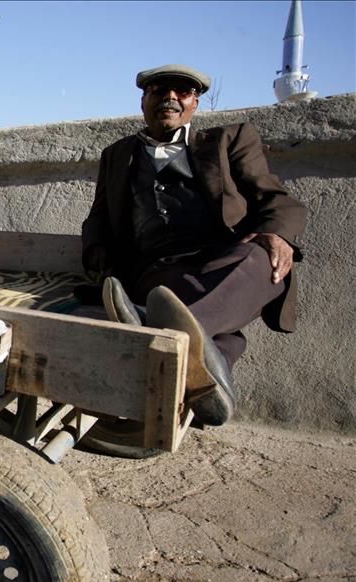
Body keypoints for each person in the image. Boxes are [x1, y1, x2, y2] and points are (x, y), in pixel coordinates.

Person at [82, 64, 308, 426]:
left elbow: (277, 200)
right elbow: (98, 216)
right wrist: (95, 253)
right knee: (222, 334)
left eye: (182, 92)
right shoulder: (117, 155)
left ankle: (161, 336)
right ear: (144, 101)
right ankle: (209, 374)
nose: (170, 97)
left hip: (223, 266)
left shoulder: (228, 141)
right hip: (155, 273)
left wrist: (278, 234)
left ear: (195, 104)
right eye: (159, 90)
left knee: (262, 256)